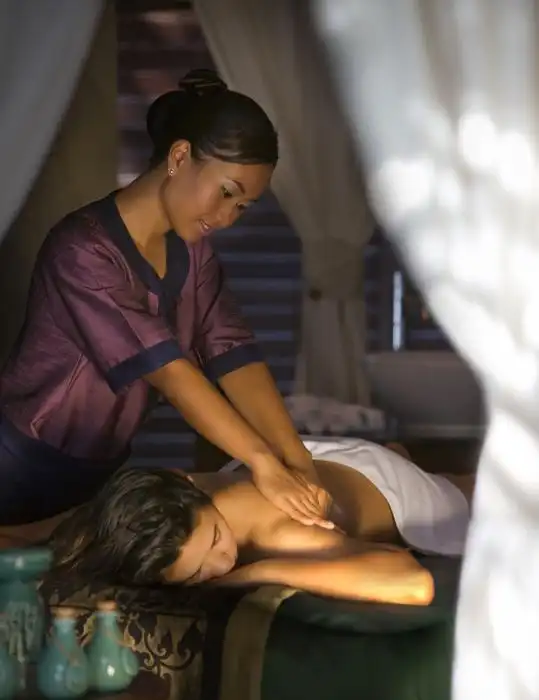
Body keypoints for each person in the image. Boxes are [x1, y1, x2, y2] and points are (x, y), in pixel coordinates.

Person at [0, 69, 331, 527]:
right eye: (226, 193)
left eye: (241, 207)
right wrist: (262, 463)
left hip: (95, 474)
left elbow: (234, 355)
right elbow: (170, 373)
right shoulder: (81, 250)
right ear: (179, 157)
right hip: (17, 463)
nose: (227, 218)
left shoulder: (195, 255)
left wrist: (299, 462)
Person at [33, 438, 474, 606]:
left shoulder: (281, 534)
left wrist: (258, 571)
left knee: (470, 495)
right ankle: (398, 452)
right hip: (313, 457)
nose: (222, 564)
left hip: (394, 491)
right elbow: (102, 522)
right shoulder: (174, 494)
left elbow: (413, 584)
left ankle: (416, 466)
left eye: (215, 539)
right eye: (199, 573)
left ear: (189, 486)